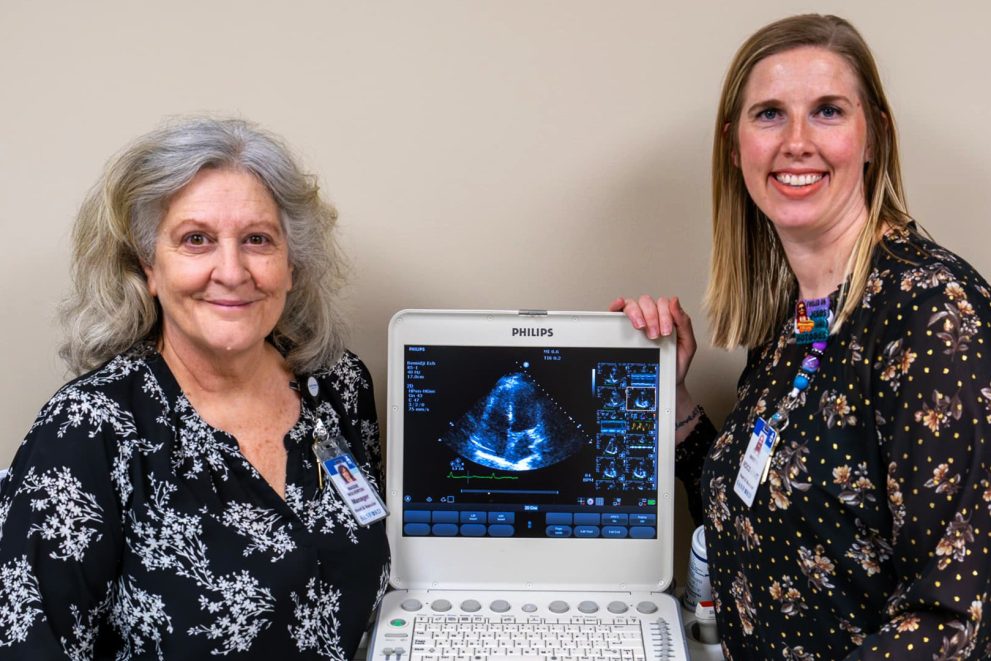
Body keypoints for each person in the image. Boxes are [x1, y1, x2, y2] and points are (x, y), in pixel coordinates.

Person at [612, 14, 991, 660]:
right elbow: (769, 526)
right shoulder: (797, 319)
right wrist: (672, 402)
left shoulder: (931, 313)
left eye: (825, 111)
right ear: (734, 146)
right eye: (767, 114)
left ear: (873, 135)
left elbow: (950, 616)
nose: (795, 141)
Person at [0, 118, 390, 659]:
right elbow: (28, 642)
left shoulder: (338, 386)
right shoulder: (89, 428)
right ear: (149, 268)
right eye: (196, 240)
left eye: (258, 240)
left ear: (291, 265)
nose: (231, 271)